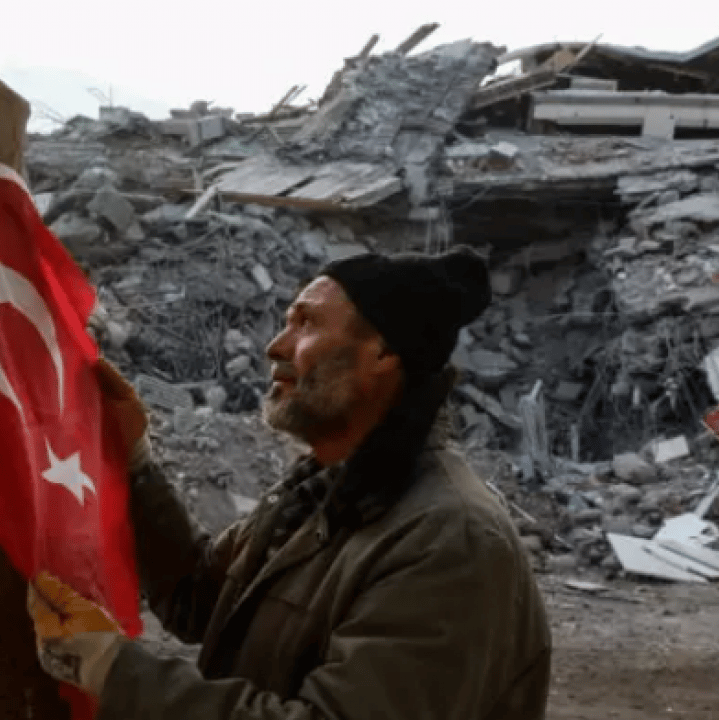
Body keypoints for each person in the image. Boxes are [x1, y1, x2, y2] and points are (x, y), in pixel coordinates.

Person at [27, 246, 552, 720]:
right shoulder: (323, 492)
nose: (275, 347)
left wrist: (115, 673)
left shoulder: (449, 540)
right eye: (286, 323)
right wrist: (134, 462)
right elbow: (200, 599)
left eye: (306, 323)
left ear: (382, 354)